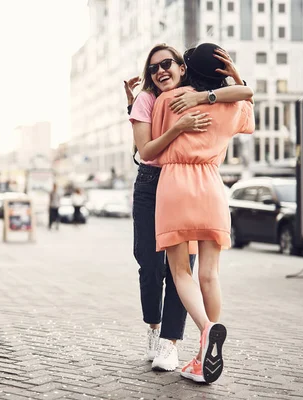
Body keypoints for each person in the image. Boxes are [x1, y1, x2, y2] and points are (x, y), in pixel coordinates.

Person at [127, 43, 253, 373]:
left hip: (175, 185)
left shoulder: (169, 101)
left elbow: (150, 144)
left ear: (185, 68)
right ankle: (202, 354)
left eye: (168, 63)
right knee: (208, 275)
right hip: (212, 187)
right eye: (154, 67)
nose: (160, 71)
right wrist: (230, 79)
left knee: (181, 272)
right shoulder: (232, 105)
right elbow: (247, 103)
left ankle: (204, 332)